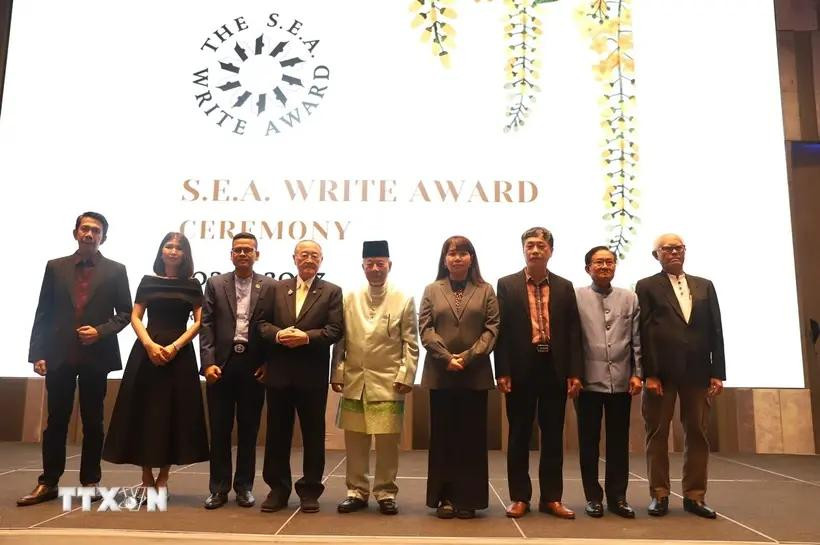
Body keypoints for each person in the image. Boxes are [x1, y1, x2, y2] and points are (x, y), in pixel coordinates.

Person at [18, 212, 132, 506]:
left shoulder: (116, 270)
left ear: (103, 237)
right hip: (59, 354)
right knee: (56, 420)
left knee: (94, 421)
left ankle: (90, 481)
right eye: (85, 229)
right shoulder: (55, 267)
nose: (89, 234)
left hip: (97, 355)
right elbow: (43, 312)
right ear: (75, 232)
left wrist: (100, 331)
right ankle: (49, 482)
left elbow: (125, 314)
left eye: (96, 230)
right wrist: (37, 352)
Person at [103, 232, 208, 492]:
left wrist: (175, 346)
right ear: (161, 251)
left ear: (185, 254)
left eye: (178, 248)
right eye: (168, 246)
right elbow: (136, 316)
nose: (173, 251)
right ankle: (146, 474)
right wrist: (149, 344)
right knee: (145, 412)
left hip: (179, 354)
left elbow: (199, 322)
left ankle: (164, 475)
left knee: (173, 413)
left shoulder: (193, 284)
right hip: (146, 352)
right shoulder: (147, 281)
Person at [495, 226, 583, 520]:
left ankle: (552, 498)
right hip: (521, 368)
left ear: (550, 251)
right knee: (519, 434)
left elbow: (573, 332)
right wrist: (503, 370)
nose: (535, 250)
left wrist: (575, 372)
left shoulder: (564, 286)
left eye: (541, 245)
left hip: (554, 368)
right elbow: (502, 332)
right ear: (523, 250)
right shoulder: (506, 284)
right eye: (530, 245)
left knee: (553, 435)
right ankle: (520, 497)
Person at [636, 233, 725, 519]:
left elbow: (716, 331)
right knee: (657, 433)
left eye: (678, 248)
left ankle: (695, 496)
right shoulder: (646, 286)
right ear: (656, 255)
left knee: (698, 433)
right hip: (660, 375)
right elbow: (644, 333)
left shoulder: (704, 286)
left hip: (698, 373)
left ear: (685, 251)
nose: (673, 252)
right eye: (666, 249)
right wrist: (649, 374)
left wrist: (717, 372)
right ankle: (659, 494)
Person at [330, 240, 419, 515]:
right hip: (356, 380)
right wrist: (338, 372)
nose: (376, 268)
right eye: (370, 264)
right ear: (363, 267)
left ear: (389, 265)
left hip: (389, 381)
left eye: (381, 263)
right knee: (355, 440)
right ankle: (356, 491)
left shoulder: (403, 298)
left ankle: (385, 492)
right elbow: (341, 340)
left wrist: (407, 374)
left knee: (387, 443)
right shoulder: (350, 297)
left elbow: (411, 342)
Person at [258, 240, 343, 514]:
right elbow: (261, 324)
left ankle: (310, 491)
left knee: (313, 435)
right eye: (304, 254)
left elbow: (334, 331)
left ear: (322, 260)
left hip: (312, 376)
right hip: (279, 374)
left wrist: (306, 337)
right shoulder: (276, 289)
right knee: (277, 435)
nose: (309, 259)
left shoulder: (332, 292)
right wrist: (279, 334)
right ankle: (278, 489)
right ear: (294, 258)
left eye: (314, 255)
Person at [419, 235, 499, 519]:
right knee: (443, 438)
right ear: (444, 259)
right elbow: (425, 329)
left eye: (463, 253)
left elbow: (491, 329)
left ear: (472, 258)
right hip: (441, 375)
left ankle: (470, 499)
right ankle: (446, 499)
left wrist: (466, 358)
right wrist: (446, 357)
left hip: (474, 374)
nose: (457, 258)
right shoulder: (432, 289)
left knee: (472, 440)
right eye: (452, 253)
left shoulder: (486, 289)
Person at [199, 233, 276, 509]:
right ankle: (218, 488)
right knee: (219, 430)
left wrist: (268, 363)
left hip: (254, 367)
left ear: (258, 254)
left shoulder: (270, 286)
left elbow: (273, 328)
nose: (243, 254)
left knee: (249, 430)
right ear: (230, 254)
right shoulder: (215, 284)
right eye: (238, 250)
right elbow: (206, 325)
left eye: (248, 250)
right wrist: (207, 363)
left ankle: (244, 487)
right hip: (221, 365)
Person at [575, 246, 642, 518]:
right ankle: (593, 497)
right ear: (587, 268)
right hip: (588, 382)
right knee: (588, 442)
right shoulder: (576, 296)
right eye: (598, 262)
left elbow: (637, 339)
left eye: (609, 262)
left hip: (621, 381)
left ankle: (618, 497)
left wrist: (638, 373)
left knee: (618, 442)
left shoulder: (630, 298)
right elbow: (571, 339)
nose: (604, 266)